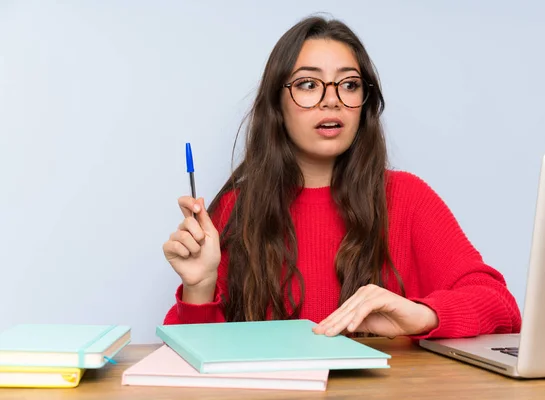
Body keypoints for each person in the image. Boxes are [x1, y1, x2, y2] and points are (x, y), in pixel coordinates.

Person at [161, 15, 522, 339]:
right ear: (276, 105)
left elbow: (500, 305)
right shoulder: (234, 210)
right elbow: (192, 364)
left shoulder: (407, 197)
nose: (332, 100)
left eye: (349, 85)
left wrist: (423, 315)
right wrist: (201, 286)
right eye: (307, 84)